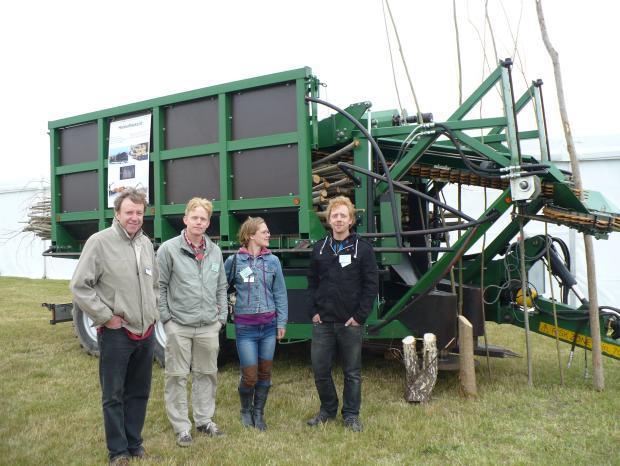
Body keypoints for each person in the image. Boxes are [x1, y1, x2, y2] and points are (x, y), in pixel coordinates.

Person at [70, 188, 159, 465]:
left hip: (145, 332)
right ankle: (118, 451)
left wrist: (153, 311)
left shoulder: (145, 244)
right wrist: (106, 316)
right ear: (117, 214)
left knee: (139, 392)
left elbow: (154, 284)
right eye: (129, 212)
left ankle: (135, 443)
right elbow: (79, 286)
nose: (135, 217)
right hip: (116, 333)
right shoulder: (99, 242)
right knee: (114, 395)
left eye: (139, 213)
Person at [157, 197, 228, 446]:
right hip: (179, 325)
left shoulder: (215, 251)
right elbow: (159, 286)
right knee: (176, 376)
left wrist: (221, 319)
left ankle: (204, 420)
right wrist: (167, 320)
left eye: (204, 218)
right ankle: (181, 427)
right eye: (194, 217)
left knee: (207, 374)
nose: (199, 222)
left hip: (209, 325)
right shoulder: (168, 249)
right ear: (185, 219)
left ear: (209, 223)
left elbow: (222, 286)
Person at [306, 196, 379, 432]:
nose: (338, 219)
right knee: (320, 370)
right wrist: (313, 312)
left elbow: (371, 286)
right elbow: (311, 283)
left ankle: (351, 415)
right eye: (334, 215)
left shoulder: (363, 249)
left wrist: (359, 317)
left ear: (351, 220)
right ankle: (327, 410)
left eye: (343, 215)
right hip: (323, 322)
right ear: (328, 220)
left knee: (352, 372)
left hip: (350, 322)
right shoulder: (320, 248)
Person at [224, 217, 288, 431]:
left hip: (269, 327)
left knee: (265, 373)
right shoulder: (234, 261)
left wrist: (282, 321)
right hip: (246, 329)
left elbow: (280, 292)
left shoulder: (273, 262)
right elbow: (221, 289)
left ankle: (258, 413)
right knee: (250, 375)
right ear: (251, 235)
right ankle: (245, 410)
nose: (269, 235)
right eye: (264, 231)